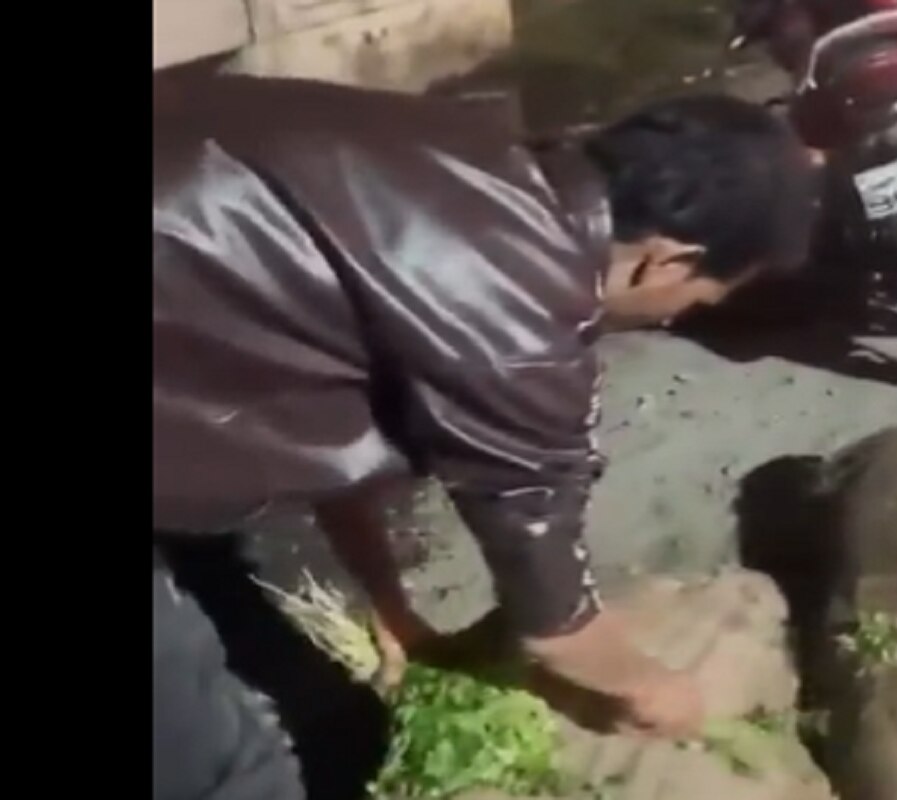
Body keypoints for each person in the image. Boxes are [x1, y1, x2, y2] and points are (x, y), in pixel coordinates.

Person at [153, 74, 821, 800]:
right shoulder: (522, 313)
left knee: (211, 598)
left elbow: (340, 423)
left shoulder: (472, 151)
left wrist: (393, 610)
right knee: (236, 775)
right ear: (668, 258)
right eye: (697, 300)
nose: (671, 319)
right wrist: (657, 693)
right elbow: (554, 617)